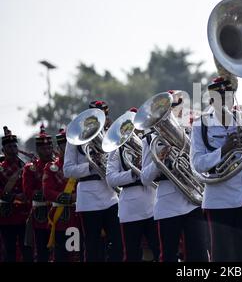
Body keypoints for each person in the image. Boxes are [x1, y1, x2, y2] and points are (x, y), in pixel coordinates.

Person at [190, 76, 242, 262]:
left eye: (229, 96)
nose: (226, 101)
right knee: (223, 256)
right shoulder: (200, 125)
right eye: (220, 97)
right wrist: (224, 150)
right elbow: (197, 164)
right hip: (217, 200)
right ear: (211, 99)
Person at [140, 93, 208, 262]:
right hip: (167, 205)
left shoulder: (189, 132)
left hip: (192, 201)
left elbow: (198, 165)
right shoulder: (150, 140)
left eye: (174, 107)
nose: (172, 113)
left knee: (199, 254)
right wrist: (159, 161)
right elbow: (145, 178)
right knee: (168, 256)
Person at [63, 100, 122, 262]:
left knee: (117, 243)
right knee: (92, 245)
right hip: (88, 197)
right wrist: (90, 166)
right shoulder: (75, 137)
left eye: (104, 116)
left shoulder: (111, 136)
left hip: (110, 195)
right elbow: (67, 170)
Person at [105, 108, 159, 262]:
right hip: (130, 210)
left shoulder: (148, 142)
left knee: (158, 251)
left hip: (152, 205)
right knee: (131, 255)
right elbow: (111, 179)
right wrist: (133, 172)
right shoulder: (116, 149)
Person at [43, 128, 81, 262]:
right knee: (62, 255)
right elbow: (47, 192)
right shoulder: (51, 167)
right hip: (63, 217)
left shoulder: (81, 163)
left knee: (77, 254)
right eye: (65, 145)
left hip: (80, 216)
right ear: (59, 146)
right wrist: (70, 197)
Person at [22, 124, 54, 262]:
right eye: (43, 148)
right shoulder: (30, 168)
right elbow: (28, 192)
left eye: (49, 147)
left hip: (59, 214)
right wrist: (49, 193)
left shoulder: (58, 165)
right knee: (42, 252)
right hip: (40, 216)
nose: (47, 151)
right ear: (38, 149)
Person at [0, 126, 32, 262]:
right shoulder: (1, 168)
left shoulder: (24, 165)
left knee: (28, 249)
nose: (13, 150)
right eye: (9, 147)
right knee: (10, 251)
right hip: (7, 216)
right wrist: (14, 197)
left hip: (24, 215)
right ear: (3, 150)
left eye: (14, 147)